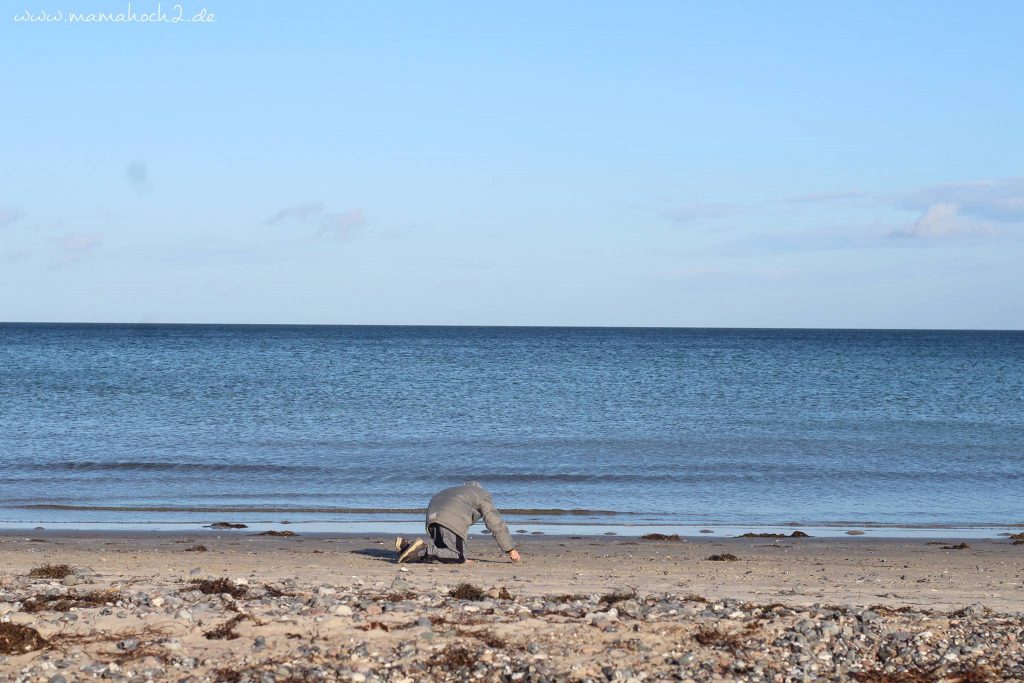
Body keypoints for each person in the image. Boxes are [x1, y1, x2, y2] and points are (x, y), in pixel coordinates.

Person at [396, 481, 521, 563]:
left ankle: (406, 547)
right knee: (458, 556)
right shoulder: (482, 494)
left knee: (446, 551)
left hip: (431, 521)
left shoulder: (456, 490)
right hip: (449, 520)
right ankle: (419, 550)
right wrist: (510, 549)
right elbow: (495, 523)